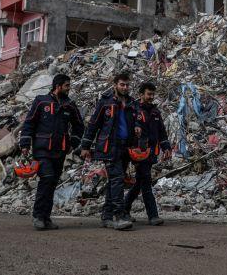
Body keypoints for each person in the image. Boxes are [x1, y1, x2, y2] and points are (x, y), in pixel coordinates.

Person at [19, 73, 85, 230]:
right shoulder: (41, 101)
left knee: (52, 183)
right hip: (42, 150)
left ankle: (46, 218)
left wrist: (73, 142)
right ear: (58, 86)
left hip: (60, 151)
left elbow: (79, 126)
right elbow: (29, 123)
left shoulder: (69, 105)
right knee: (46, 179)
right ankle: (38, 216)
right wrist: (25, 143)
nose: (69, 89)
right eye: (67, 86)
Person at [80, 72, 138, 230]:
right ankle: (119, 216)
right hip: (110, 147)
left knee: (115, 181)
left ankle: (106, 216)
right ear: (115, 85)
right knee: (117, 179)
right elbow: (93, 124)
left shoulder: (132, 103)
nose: (125, 88)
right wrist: (85, 146)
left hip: (126, 148)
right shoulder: (105, 103)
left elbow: (137, 122)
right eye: (122, 85)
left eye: (127, 85)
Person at [126, 81, 172, 225]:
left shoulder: (155, 112)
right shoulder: (133, 110)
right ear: (141, 94)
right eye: (148, 94)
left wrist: (167, 148)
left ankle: (123, 209)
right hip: (138, 153)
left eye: (153, 94)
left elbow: (162, 133)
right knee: (145, 182)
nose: (151, 97)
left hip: (151, 153)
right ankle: (153, 216)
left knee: (139, 182)